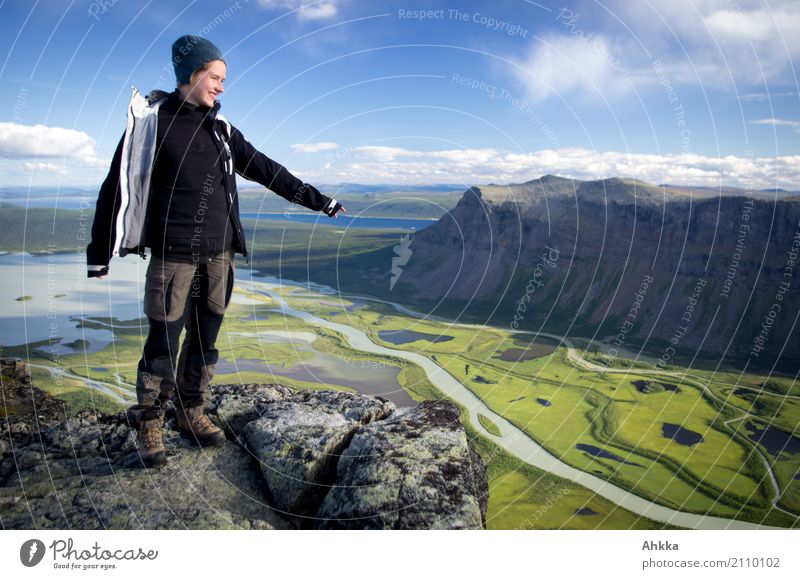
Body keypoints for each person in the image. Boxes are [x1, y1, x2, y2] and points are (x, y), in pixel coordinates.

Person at [86, 35, 345, 467]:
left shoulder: (222, 130)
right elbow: (116, 187)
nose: (222, 87)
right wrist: (99, 253)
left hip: (219, 255)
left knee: (205, 339)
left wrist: (320, 201)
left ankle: (192, 412)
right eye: (216, 77)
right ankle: (150, 422)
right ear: (192, 74)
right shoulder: (151, 124)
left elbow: (267, 170)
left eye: (224, 79)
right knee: (163, 342)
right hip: (173, 256)